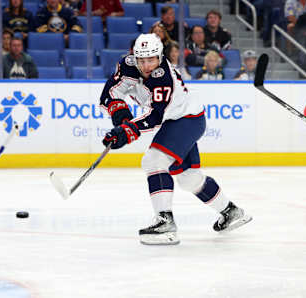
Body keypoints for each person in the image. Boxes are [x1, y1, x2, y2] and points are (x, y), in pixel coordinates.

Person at [99, 33, 252, 245]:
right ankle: (231, 211)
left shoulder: (163, 77)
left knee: (153, 162)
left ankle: (165, 223)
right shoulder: (127, 64)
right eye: (141, 60)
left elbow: (155, 116)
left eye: (151, 59)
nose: (146, 65)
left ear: (160, 56)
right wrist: (121, 117)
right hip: (179, 121)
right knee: (189, 179)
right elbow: (110, 93)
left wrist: (126, 131)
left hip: (187, 120)